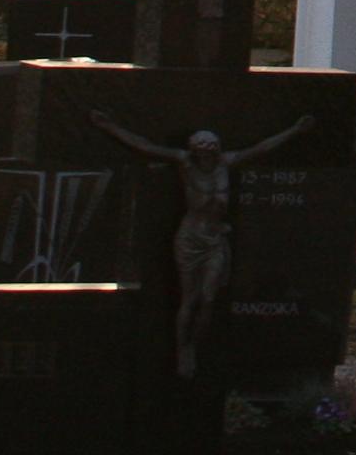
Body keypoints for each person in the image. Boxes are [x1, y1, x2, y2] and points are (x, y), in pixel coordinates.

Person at [90, 110, 314, 377]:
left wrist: (295, 130)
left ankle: (195, 344)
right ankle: (182, 349)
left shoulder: (226, 163)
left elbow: (260, 148)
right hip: (191, 238)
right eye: (203, 149)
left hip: (215, 238)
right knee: (190, 297)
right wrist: (110, 127)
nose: (208, 154)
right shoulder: (184, 163)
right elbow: (145, 146)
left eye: (212, 149)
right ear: (195, 150)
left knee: (208, 298)